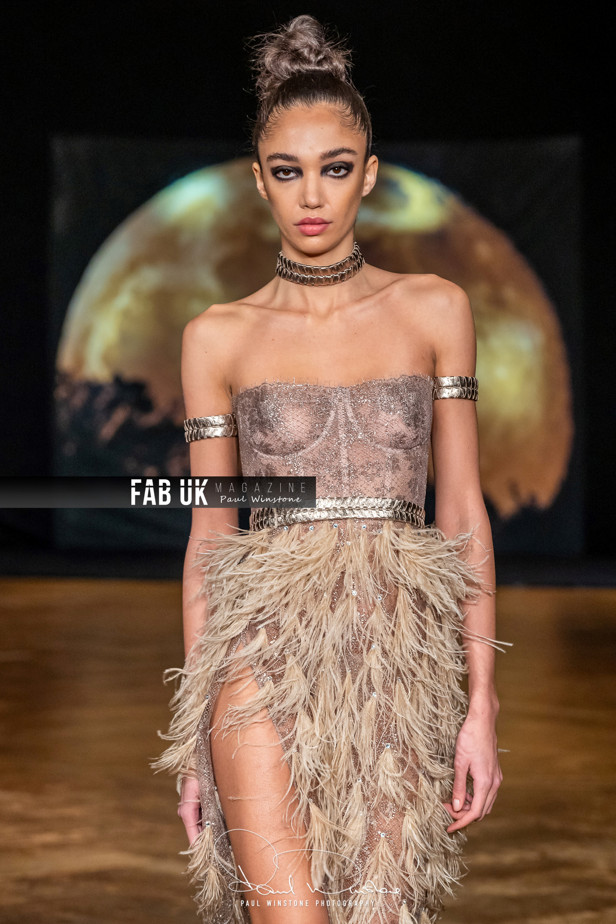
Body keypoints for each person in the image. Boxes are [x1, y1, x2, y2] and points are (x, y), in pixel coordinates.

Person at [152, 14, 511, 924]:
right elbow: (210, 537)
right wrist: (192, 741)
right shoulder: (218, 337)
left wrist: (481, 704)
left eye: (336, 167)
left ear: (370, 175)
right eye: (287, 171)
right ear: (259, 180)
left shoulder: (435, 310)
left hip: (399, 668)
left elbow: (461, 513)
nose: (312, 195)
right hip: (258, 661)